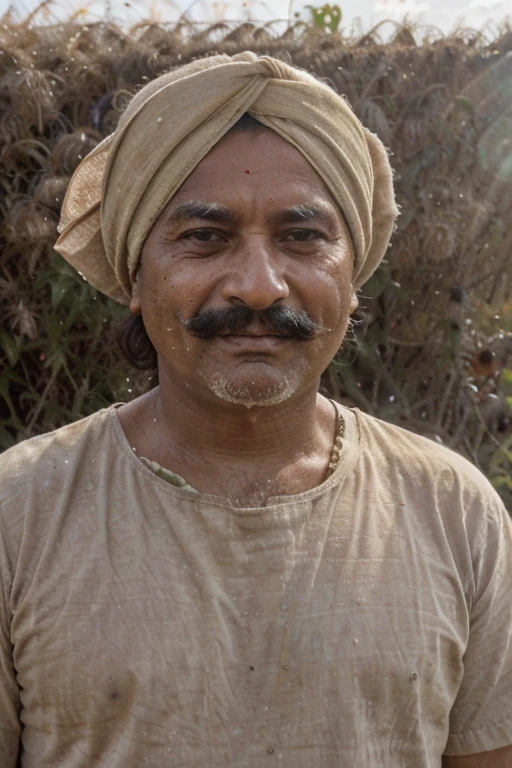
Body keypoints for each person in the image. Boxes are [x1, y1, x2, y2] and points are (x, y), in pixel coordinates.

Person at [0, 52, 511, 768]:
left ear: (353, 273)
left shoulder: (456, 512)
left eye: (303, 238)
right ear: (134, 275)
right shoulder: (21, 513)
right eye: (205, 237)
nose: (260, 287)